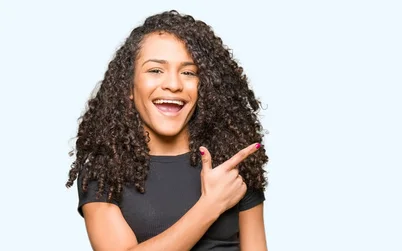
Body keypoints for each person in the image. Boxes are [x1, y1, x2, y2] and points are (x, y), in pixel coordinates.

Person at [65, 10, 269, 251]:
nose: (173, 84)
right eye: (155, 70)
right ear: (129, 86)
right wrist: (210, 206)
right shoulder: (106, 170)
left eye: (188, 72)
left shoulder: (229, 161)